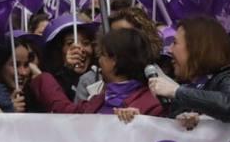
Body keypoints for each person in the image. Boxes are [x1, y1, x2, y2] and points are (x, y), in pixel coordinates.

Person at [149, 16, 230, 127]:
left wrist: (177, 91)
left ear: (196, 47)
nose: (170, 50)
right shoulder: (188, 88)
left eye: (175, 43)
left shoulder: (228, 78)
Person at [32, 28, 162, 119]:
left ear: (114, 60)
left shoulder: (153, 106)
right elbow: (66, 112)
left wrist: (140, 124)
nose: (98, 60)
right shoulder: (98, 100)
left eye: (102, 55)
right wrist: (43, 78)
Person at [27, 16, 97, 113]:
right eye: (70, 43)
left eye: (85, 43)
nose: (79, 50)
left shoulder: (101, 77)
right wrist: (67, 72)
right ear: (58, 51)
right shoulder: (48, 84)